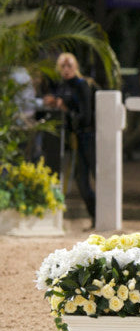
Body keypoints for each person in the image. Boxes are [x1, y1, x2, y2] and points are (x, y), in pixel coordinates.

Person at [41, 53, 96, 222]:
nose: (66, 69)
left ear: (76, 67)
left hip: (87, 136)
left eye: (69, 66)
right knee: (81, 180)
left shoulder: (82, 85)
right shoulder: (61, 86)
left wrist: (64, 109)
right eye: (62, 66)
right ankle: (95, 215)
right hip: (72, 138)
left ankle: (103, 216)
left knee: (95, 175)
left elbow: (86, 116)